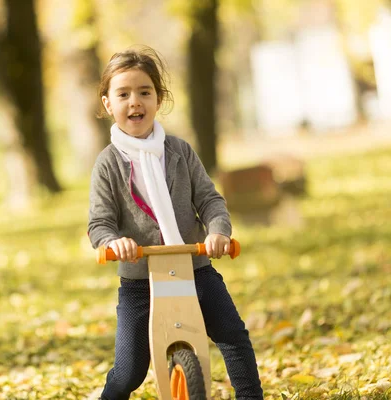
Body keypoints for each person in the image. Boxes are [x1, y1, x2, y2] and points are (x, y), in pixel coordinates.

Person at [88, 46, 263, 400]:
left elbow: (210, 200)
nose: (134, 102)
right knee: (129, 371)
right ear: (108, 104)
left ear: (158, 98)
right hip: (140, 281)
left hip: (194, 266)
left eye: (144, 92)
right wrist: (113, 242)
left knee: (232, 334)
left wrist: (218, 231)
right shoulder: (108, 164)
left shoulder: (180, 152)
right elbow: (99, 222)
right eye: (123, 94)